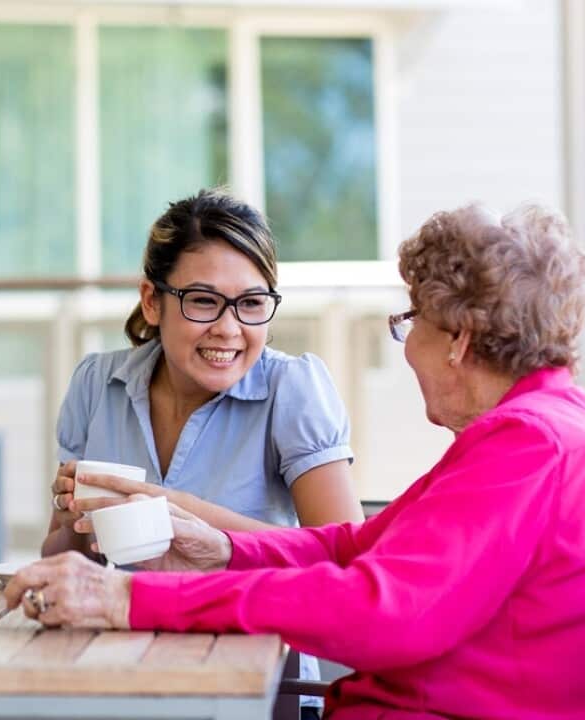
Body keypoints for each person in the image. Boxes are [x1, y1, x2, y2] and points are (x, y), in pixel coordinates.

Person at [9, 203, 585, 719]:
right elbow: (361, 545)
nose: (406, 347)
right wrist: (223, 550)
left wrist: (132, 598)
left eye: (412, 321)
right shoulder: (544, 432)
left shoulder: (532, 448)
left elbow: (384, 611)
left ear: (457, 340)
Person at [43, 188, 363, 717]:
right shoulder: (96, 385)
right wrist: (65, 518)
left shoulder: (293, 389)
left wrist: (172, 508)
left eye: (252, 303)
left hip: (251, 684)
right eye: (203, 300)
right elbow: (65, 564)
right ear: (152, 301)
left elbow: (344, 559)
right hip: (113, 671)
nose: (229, 328)